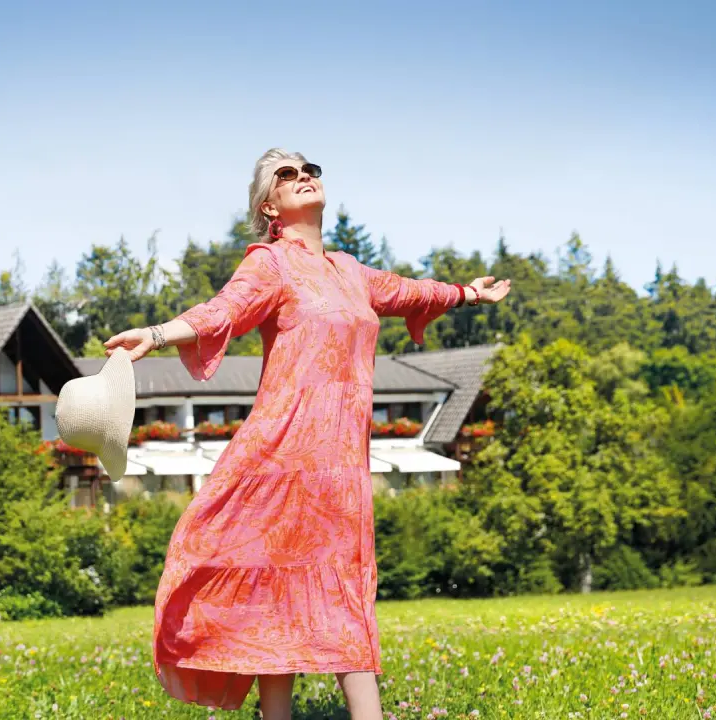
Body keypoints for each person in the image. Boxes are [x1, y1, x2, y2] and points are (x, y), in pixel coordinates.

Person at [105, 149, 512, 720]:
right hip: (281, 453)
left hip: (340, 467)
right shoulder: (270, 264)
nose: (303, 178)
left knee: (344, 587)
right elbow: (224, 310)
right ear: (268, 205)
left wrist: (467, 294)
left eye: (310, 169)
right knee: (276, 590)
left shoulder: (350, 271)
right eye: (286, 175)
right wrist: (155, 333)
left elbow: (409, 291)